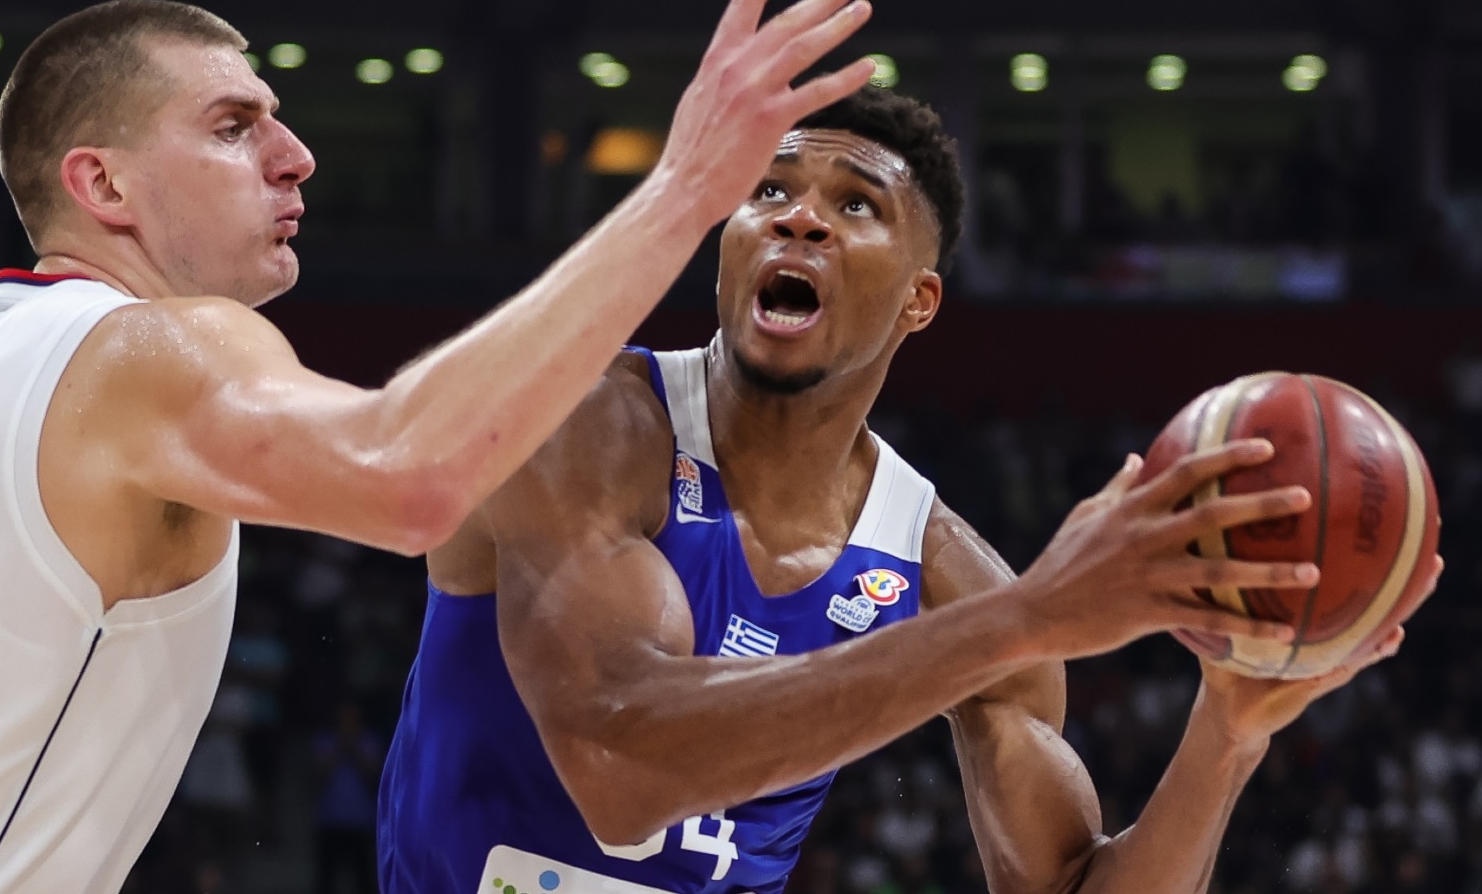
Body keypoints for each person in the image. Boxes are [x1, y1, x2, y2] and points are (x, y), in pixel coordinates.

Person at [0, 0, 881, 891]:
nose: (297, 153)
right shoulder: (149, 346)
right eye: (233, 125)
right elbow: (410, 475)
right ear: (101, 184)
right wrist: (678, 194)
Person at [376, 87, 1443, 894]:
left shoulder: (945, 573)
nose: (799, 218)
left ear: (919, 300)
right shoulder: (585, 423)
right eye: (771, 191)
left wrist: (1227, 734)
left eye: (854, 205)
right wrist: (1022, 618)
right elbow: (619, 765)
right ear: (729, 246)